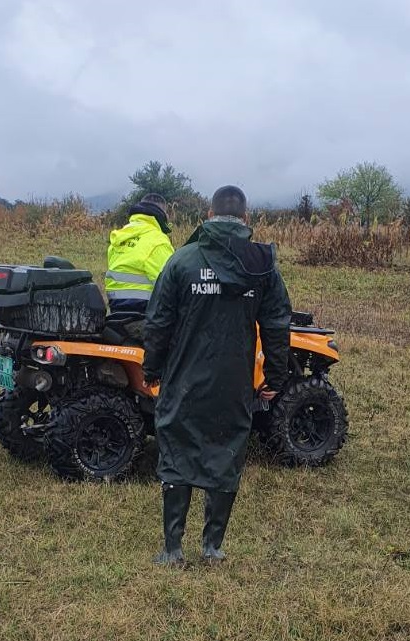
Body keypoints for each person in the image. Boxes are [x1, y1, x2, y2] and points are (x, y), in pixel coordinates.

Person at [143, 185, 292, 566]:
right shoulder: (262, 265)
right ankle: (212, 547)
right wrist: (274, 377)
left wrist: (151, 370)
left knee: (177, 452)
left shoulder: (181, 261)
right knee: (226, 454)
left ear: (208, 217)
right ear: (245, 220)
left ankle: (173, 549)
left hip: (184, 378)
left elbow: (158, 323)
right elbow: (276, 323)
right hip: (234, 381)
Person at [105, 193, 174, 314]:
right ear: (163, 214)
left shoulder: (120, 236)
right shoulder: (158, 241)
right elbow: (169, 284)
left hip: (115, 306)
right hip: (143, 309)